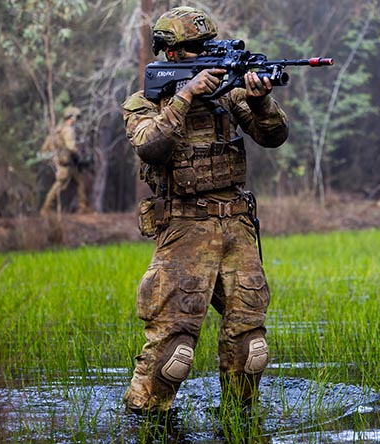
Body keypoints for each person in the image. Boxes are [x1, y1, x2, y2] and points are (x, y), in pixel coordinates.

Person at [121, 6, 289, 415]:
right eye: (196, 49)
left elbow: (275, 136)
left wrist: (261, 100)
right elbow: (150, 146)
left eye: (208, 46)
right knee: (173, 350)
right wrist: (186, 96)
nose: (205, 55)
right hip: (184, 227)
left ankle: (237, 420)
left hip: (236, 225)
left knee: (251, 344)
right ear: (171, 54)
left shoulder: (228, 95)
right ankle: (145, 420)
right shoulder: (144, 101)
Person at [40, 106, 89, 215]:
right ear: (71, 117)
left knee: (80, 181)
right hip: (67, 162)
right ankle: (46, 208)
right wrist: (80, 157)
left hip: (68, 162)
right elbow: (71, 147)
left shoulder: (59, 129)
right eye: (76, 117)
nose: (76, 120)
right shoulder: (68, 130)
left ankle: (83, 207)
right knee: (59, 184)